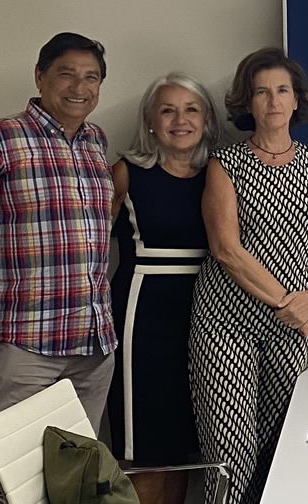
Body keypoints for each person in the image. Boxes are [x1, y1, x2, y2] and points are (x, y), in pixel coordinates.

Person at [0, 32, 115, 502]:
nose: (79, 87)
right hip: (24, 344)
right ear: (40, 76)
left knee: (72, 478)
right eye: (66, 74)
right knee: (6, 478)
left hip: (92, 345)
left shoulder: (95, 142)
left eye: (91, 77)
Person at [189, 48, 308, 504]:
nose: (273, 101)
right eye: (261, 92)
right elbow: (226, 249)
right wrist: (288, 302)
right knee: (231, 453)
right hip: (226, 324)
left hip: (297, 326)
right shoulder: (225, 163)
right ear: (247, 103)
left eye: (282, 91)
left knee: (284, 444)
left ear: (297, 101)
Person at [106, 73, 222, 504]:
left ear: (207, 119)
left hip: (210, 312)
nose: (180, 120)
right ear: (150, 121)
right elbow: (94, 251)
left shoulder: (220, 173)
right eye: (168, 110)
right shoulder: (127, 173)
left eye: (191, 109)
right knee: (148, 452)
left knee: (188, 451)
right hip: (144, 316)